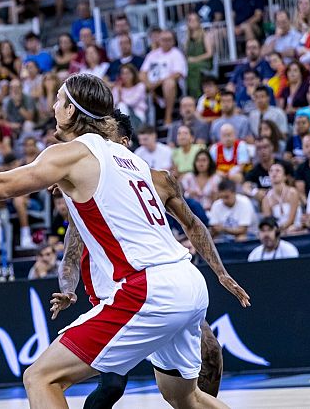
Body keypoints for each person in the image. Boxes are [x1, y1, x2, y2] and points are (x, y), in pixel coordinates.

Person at [0, 73, 247, 409]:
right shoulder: (130, 158)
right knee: (187, 399)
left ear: (71, 109)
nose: (53, 106)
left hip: (148, 289)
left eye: (58, 100)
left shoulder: (74, 154)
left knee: (41, 378)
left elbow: (2, 185)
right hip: (187, 281)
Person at [59, 108, 229, 407]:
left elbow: (192, 224)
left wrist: (220, 271)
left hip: (158, 280)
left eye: (104, 134)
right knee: (111, 385)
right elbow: (71, 255)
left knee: (209, 353)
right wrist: (68, 288)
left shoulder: (158, 180)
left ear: (123, 143)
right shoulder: (86, 180)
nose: (95, 141)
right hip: (113, 290)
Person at [262, 163, 302, 234]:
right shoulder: (266, 198)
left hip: (295, 227)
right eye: (271, 171)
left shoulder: (293, 192)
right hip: (278, 230)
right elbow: (268, 222)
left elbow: (291, 220)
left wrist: (281, 229)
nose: (274, 173)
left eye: (278, 171)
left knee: (291, 230)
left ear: (284, 176)